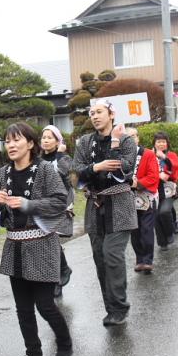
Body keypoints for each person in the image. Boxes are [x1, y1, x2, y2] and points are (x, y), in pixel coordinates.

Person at [0, 123, 72, 356]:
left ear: (30, 143)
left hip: (40, 244)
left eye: (16, 139)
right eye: (7, 140)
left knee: (45, 305)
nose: (11, 145)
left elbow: (61, 201)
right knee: (23, 309)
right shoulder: (2, 173)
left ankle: (64, 346)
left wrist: (29, 204)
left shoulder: (44, 170)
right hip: (14, 245)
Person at [72, 99, 137, 326]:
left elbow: (126, 167)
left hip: (120, 203)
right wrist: (96, 168)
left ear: (111, 114)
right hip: (94, 206)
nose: (95, 116)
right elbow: (76, 170)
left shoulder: (127, 140)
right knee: (100, 257)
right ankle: (111, 308)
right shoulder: (84, 142)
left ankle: (120, 306)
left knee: (112, 254)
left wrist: (116, 145)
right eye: (91, 112)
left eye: (99, 111)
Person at [40, 125, 74, 297]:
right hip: (42, 205)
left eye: (49, 137)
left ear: (58, 141)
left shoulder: (64, 158)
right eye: (43, 137)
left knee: (51, 240)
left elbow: (65, 179)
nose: (45, 140)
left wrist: (60, 154)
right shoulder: (38, 160)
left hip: (59, 204)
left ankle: (58, 279)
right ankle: (62, 270)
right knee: (47, 242)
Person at [126, 127, 159, 273]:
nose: (132, 139)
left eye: (133, 136)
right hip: (128, 198)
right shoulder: (121, 157)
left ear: (138, 138)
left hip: (146, 197)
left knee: (146, 229)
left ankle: (147, 260)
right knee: (135, 230)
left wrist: (137, 183)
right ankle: (140, 259)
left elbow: (153, 176)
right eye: (127, 137)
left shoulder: (148, 154)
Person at [153, 131, 178, 250]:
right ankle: (162, 242)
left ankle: (169, 232)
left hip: (168, 188)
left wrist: (164, 159)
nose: (161, 144)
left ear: (167, 143)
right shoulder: (149, 155)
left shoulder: (171, 155)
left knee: (164, 211)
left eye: (163, 142)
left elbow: (176, 168)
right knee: (156, 216)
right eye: (158, 142)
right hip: (154, 189)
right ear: (154, 143)